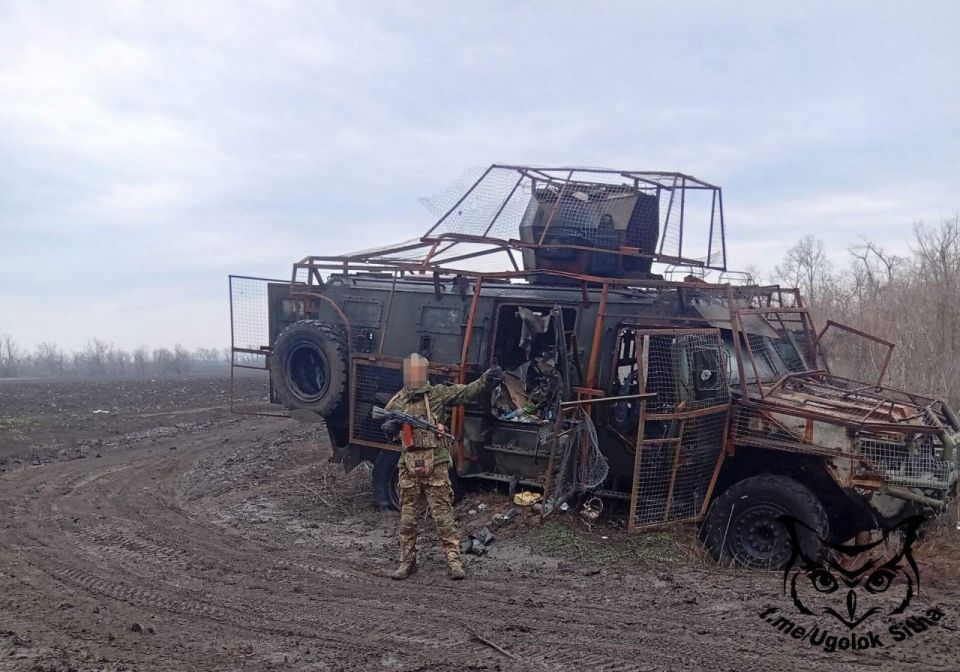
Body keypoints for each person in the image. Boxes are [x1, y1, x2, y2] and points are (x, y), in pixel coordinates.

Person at [381, 353, 502, 580]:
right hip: (408, 465)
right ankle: (407, 562)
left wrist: (486, 379)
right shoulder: (397, 401)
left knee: (443, 518)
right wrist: (390, 428)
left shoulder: (437, 394)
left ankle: (454, 562)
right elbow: (387, 427)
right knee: (407, 520)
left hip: (435, 463)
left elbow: (466, 392)